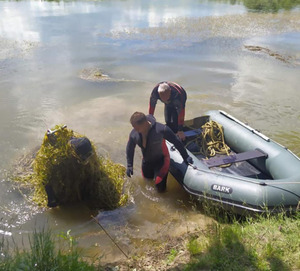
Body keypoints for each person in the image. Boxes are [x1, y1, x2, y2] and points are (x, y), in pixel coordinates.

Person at [126, 112, 193, 192]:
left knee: (160, 188)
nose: (135, 130)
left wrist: (186, 157)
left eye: (136, 128)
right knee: (147, 184)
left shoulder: (161, 129)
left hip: (161, 160)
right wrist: (129, 165)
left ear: (144, 123)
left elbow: (176, 142)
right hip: (147, 162)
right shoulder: (134, 134)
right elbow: (130, 148)